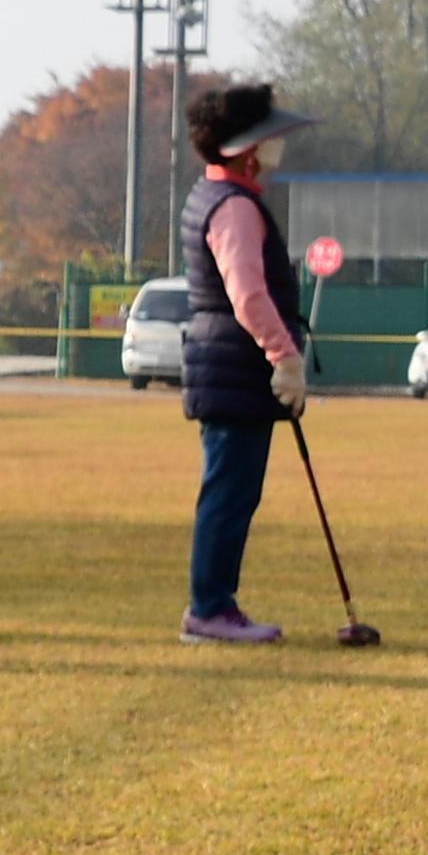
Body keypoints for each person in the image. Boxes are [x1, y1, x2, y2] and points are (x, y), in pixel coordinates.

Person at [177, 83, 315, 641]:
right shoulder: (235, 208)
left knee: (233, 489)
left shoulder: (216, 194)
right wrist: (284, 356)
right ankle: (209, 609)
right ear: (248, 148)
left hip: (226, 364)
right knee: (230, 491)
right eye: (271, 136)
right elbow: (248, 295)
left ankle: (215, 604)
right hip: (235, 365)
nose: (280, 144)